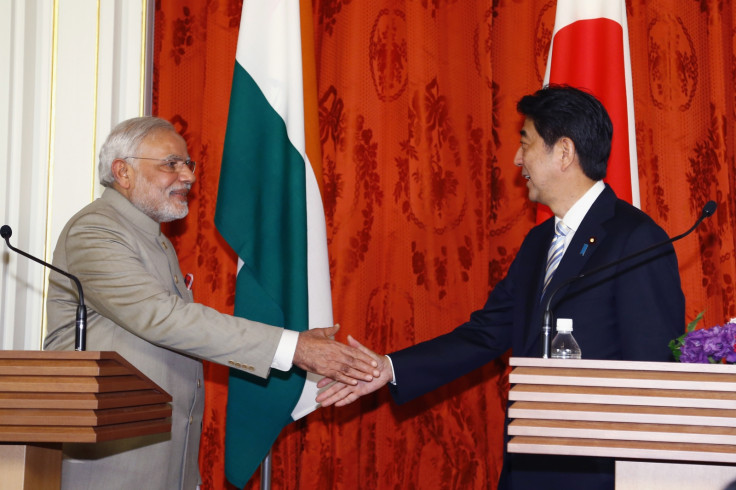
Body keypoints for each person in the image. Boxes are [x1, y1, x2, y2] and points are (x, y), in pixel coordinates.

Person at [317, 85, 685, 489]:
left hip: (596, 475)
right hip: (528, 467)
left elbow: (654, 374)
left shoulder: (636, 239)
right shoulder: (539, 241)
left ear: (563, 152)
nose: (516, 159)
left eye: (524, 143)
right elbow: (486, 334)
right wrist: (388, 369)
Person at [44, 116, 380, 490]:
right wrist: (293, 348)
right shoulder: (96, 230)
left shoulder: (151, 238)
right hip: (110, 468)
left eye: (188, 164)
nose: (187, 176)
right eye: (171, 163)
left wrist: (293, 341)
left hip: (166, 466)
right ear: (122, 172)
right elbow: (164, 319)